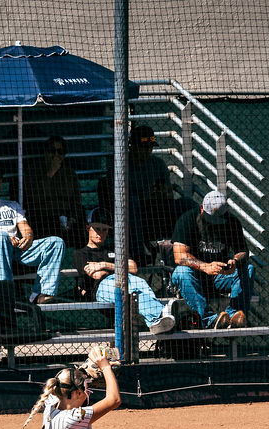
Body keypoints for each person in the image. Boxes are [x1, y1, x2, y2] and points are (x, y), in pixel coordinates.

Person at [0, 166, 65, 304]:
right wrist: (5, 238)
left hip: (16, 249)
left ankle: (40, 293)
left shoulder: (12, 205)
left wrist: (28, 237)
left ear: (0, 183)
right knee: (1, 237)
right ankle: (6, 294)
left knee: (56, 242)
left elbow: (25, 227)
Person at [75, 208, 177, 335]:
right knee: (130, 290)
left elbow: (133, 267)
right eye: (97, 229)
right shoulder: (81, 253)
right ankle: (162, 313)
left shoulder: (113, 248)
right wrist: (118, 267)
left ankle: (156, 321)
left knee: (140, 282)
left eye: (105, 229)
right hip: (102, 287)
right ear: (88, 228)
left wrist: (103, 265)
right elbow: (97, 275)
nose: (100, 233)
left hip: (127, 278)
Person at [98, 123, 186, 262]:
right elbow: (114, 199)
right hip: (130, 216)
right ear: (132, 146)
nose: (147, 151)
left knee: (186, 203)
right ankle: (137, 253)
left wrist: (162, 193)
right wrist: (144, 195)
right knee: (131, 202)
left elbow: (169, 194)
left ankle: (192, 249)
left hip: (155, 212)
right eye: (143, 147)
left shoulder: (158, 164)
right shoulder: (121, 166)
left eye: (150, 147)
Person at [170, 190, 251, 329]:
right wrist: (205, 267)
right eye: (211, 219)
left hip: (219, 276)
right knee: (182, 272)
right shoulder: (187, 220)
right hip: (193, 276)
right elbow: (179, 256)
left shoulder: (232, 222)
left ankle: (231, 318)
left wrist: (235, 261)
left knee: (248, 269)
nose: (214, 224)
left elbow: (242, 251)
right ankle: (210, 320)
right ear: (202, 208)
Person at [23, 135, 85, 246]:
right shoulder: (33, 171)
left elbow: (77, 201)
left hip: (66, 216)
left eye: (60, 152)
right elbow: (34, 196)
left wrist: (72, 219)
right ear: (45, 153)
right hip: (43, 216)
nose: (56, 155)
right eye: (52, 151)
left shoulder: (70, 173)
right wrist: (51, 173)